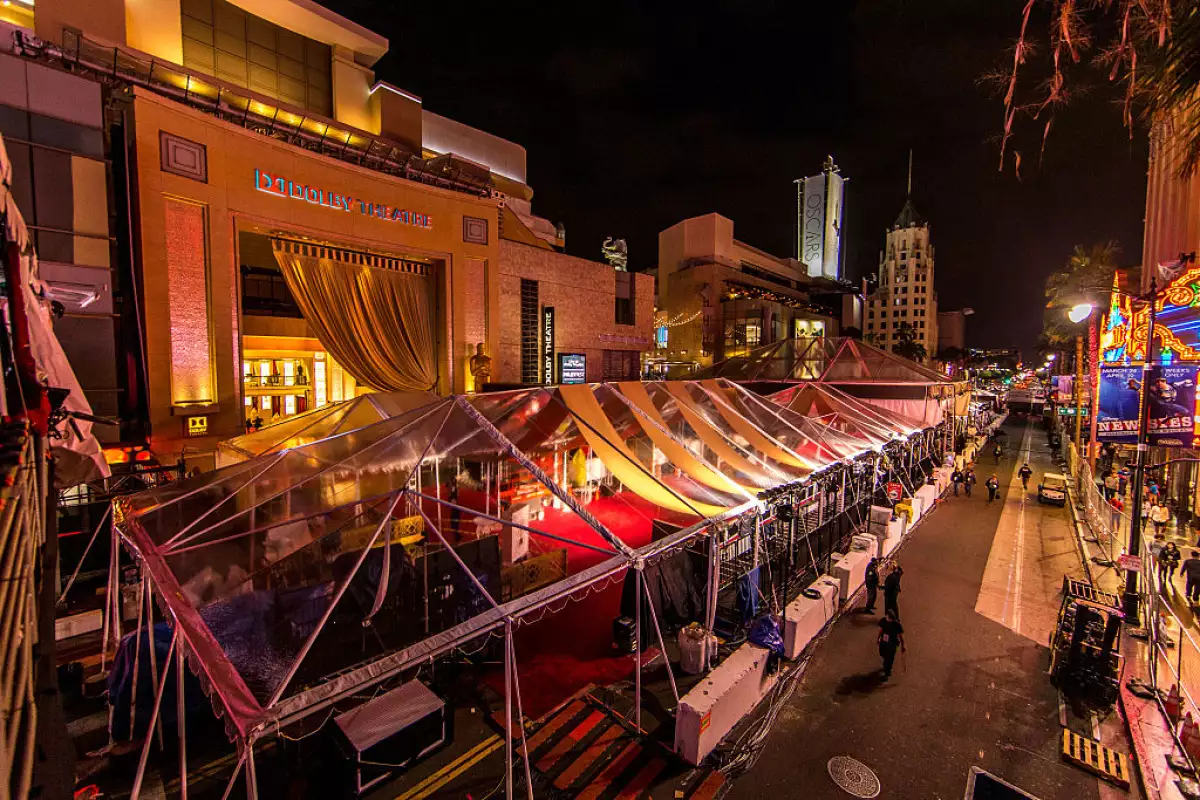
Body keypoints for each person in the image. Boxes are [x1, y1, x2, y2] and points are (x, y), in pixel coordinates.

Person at [877, 608, 905, 679]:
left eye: (889, 617)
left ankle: (888, 670)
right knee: (882, 653)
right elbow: (881, 630)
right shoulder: (883, 621)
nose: (888, 619)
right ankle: (886, 664)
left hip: (892, 644)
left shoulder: (897, 625)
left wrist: (903, 646)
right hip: (884, 642)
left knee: (890, 658)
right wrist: (878, 639)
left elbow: (901, 636)